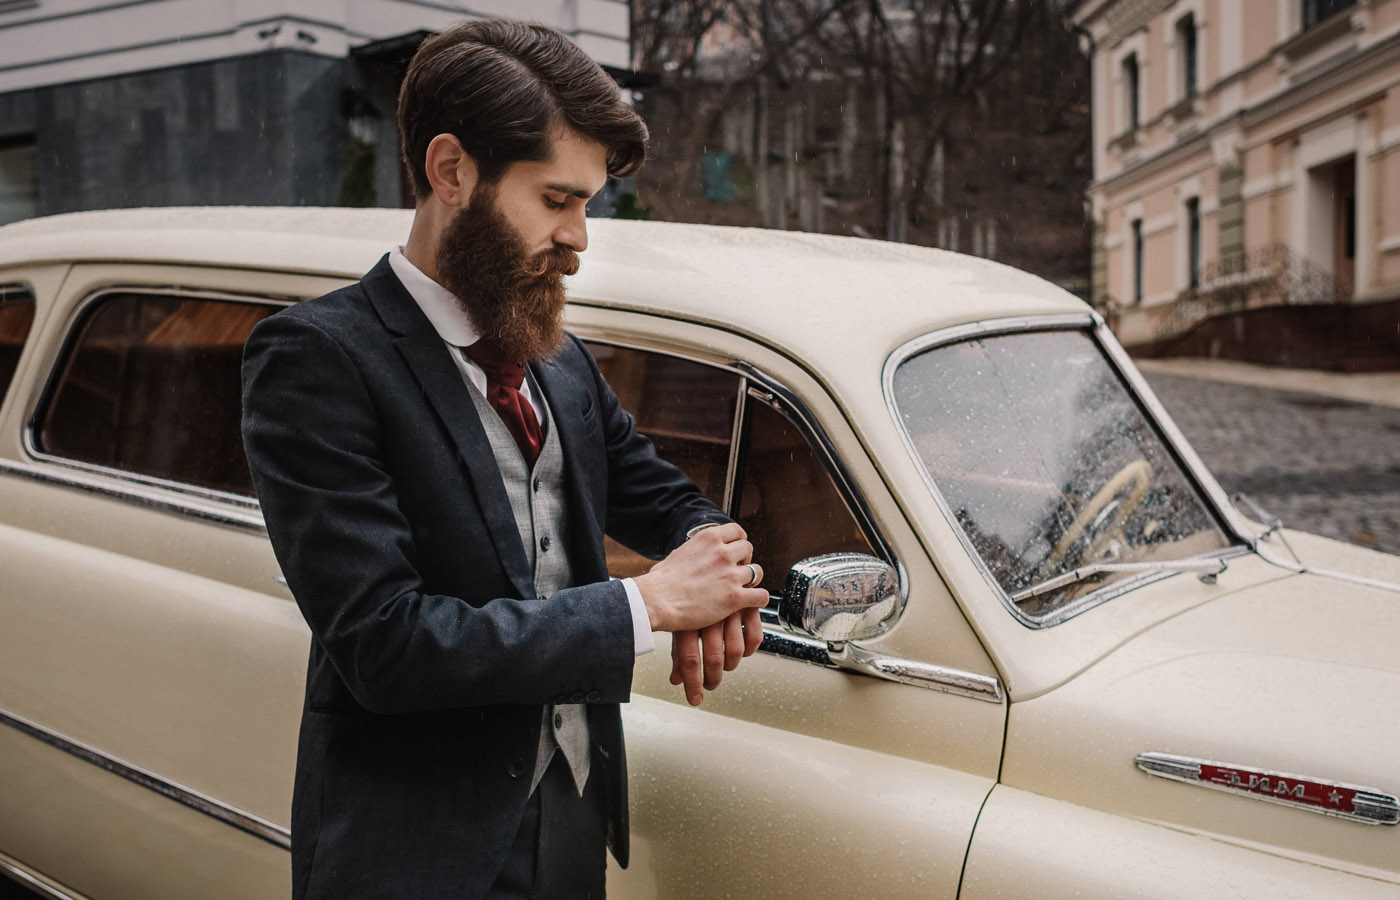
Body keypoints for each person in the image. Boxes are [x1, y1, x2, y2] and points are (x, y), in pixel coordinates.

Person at [240, 19, 770, 900]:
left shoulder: (558, 355)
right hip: (410, 848)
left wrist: (722, 568)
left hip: (570, 814)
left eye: (588, 205)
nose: (580, 238)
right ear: (452, 172)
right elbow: (386, 645)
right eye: (557, 200)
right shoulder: (315, 360)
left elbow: (663, 498)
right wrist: (645, 606)